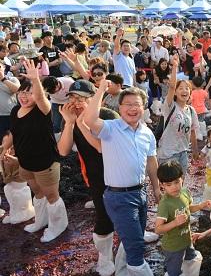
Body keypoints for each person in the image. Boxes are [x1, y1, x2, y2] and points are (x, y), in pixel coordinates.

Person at [84, 82, 161, 276]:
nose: (132, 108)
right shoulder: (110, 128)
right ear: (120, 108)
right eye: (127, 104)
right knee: (136, 248)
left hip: (141, 193)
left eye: (137, 104)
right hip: (119, 197)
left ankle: (122, 271)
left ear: (143, 108)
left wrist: (157, 189)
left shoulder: (147, 133)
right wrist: (101, 89)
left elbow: (151, 162)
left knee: (133, 240)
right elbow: (90, 118)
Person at [0, 59, 68, 242]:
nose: (24, 96)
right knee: (37, 192)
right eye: (22, 92)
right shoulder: (16, 110)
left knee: (52, 196)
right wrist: (5, 147)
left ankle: (58, 226)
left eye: (28, 93)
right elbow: (14, 131)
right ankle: (41, 220)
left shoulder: (42, 110)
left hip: (45, 161)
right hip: (25, 162)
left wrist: (35, 80)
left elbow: (39, 98)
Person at [57, 79, 118, 275]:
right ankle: (105, 257)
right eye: (73, 97)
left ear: (93, 99)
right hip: (95, 177)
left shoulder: (107, 116)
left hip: (118, 172)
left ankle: (136, 234)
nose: (75, 102)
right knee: (103, 217)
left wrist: (81, 123)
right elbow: (64, 150)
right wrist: (69, 123)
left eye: (81, 98)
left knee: (128, 209)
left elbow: (103, 148)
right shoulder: (71, 118)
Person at [155, 161, 211, 276]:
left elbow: (189, 208)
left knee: (192, 259)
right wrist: (175, 222)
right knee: (174, 271)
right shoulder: (165, 204)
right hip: (173, 247)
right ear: (162, 185)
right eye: (169, 184)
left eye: (177, 182)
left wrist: (200, 205)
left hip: (187, 239)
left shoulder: (185, 192)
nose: (174, 187)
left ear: (182, 178)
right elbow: (158, 229)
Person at [157, 55, 199, 174]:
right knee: (169, 186)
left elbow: (192, 131)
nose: (184, 91)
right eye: (181, 88)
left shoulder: (191, 110)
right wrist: (175, 67)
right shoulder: (170, 106)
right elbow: (171, 86)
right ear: (175, 92)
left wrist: (195, 151)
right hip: (168, 154)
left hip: (183, 153)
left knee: (180, 185)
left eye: (187, 88)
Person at [0, 61, 19, 138]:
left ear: (4, 68)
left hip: (11, 114)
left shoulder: (12, 79)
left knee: (14, 139)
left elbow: (18, 90)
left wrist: (3, 79)